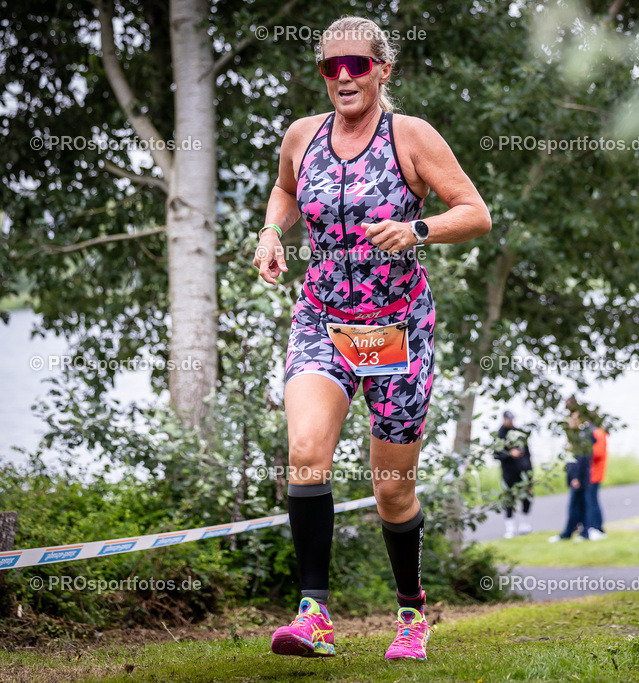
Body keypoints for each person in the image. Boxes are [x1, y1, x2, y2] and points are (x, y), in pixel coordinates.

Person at [252, 15, 490, 661]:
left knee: (392, 488)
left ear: (383, 69)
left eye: (357, 64)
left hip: (396, 328)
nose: (344, 76)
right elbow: (284, 188)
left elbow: (476, 213)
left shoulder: (410, 136)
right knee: (306, 449)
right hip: (322, 319)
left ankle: (411, 613)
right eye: (331, 66)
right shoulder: (302, 135)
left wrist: (417, 231)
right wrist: (272, 231)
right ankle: (313, 615)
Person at [549, 403, 595, 542]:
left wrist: (576, 477)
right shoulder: (575, 437)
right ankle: (572, 531)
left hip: (580, 477)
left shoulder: (583, 436)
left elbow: (581, 459)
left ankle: (582, 532)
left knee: (579, 506)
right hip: (576, 476)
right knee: (577, 505)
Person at [494, 410, 534, 538]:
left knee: (527, 497)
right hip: (508, 473)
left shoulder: (519, 433)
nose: (510, 421)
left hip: (523, 471)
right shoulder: (499, 435)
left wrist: (530, 474)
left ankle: (524, 524)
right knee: (509, 498)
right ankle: (510, 527)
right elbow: (496, 454)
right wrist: (509, 454)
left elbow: (527, 455)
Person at [585, 424, 608, 540]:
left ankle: (596, 527)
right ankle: (592, 527)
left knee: (592, 502)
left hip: (594, 474)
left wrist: (584, 451)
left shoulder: (598, 433)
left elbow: (598, 453)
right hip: (592, 474)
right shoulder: (597, 432)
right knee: (591, 501)